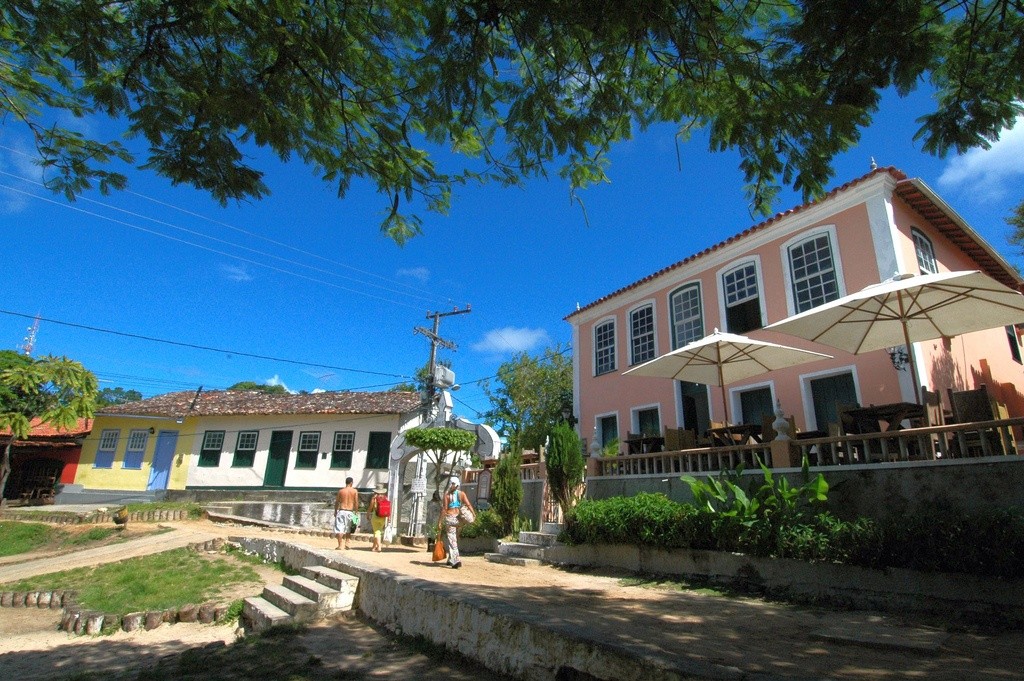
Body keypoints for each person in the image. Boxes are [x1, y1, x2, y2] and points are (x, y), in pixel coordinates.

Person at [440, 475, 475, 569]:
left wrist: (440, 521)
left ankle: (456, 560)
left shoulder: (447, 495)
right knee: (454, 540)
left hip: (450, 519)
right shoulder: (462, 494)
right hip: (459, 520)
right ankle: (450, 559)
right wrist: (473, 514)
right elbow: (468, 504)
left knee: (452, 540)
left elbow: (444, 509)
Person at [334, 477, 359, 550]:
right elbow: (356, 502)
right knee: (349, 528)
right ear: (351, 483)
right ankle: (347, 543)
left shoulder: (341, 491)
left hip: (341, 510)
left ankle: (340, 545)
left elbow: (337, 502)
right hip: (349, 511)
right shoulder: (354, 491)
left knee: (339, 528)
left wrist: (335, 511)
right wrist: (356, 512)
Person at [368, 483, 389, 552]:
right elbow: (388, 508)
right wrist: (389, 517)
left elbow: (371, 507)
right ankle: (374, 547)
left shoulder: (374, 498)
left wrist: (368, 514)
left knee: (377, 532)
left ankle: (379, 546)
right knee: (377, 531)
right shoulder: (385, 498)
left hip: (375, 517)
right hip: (383, 517)